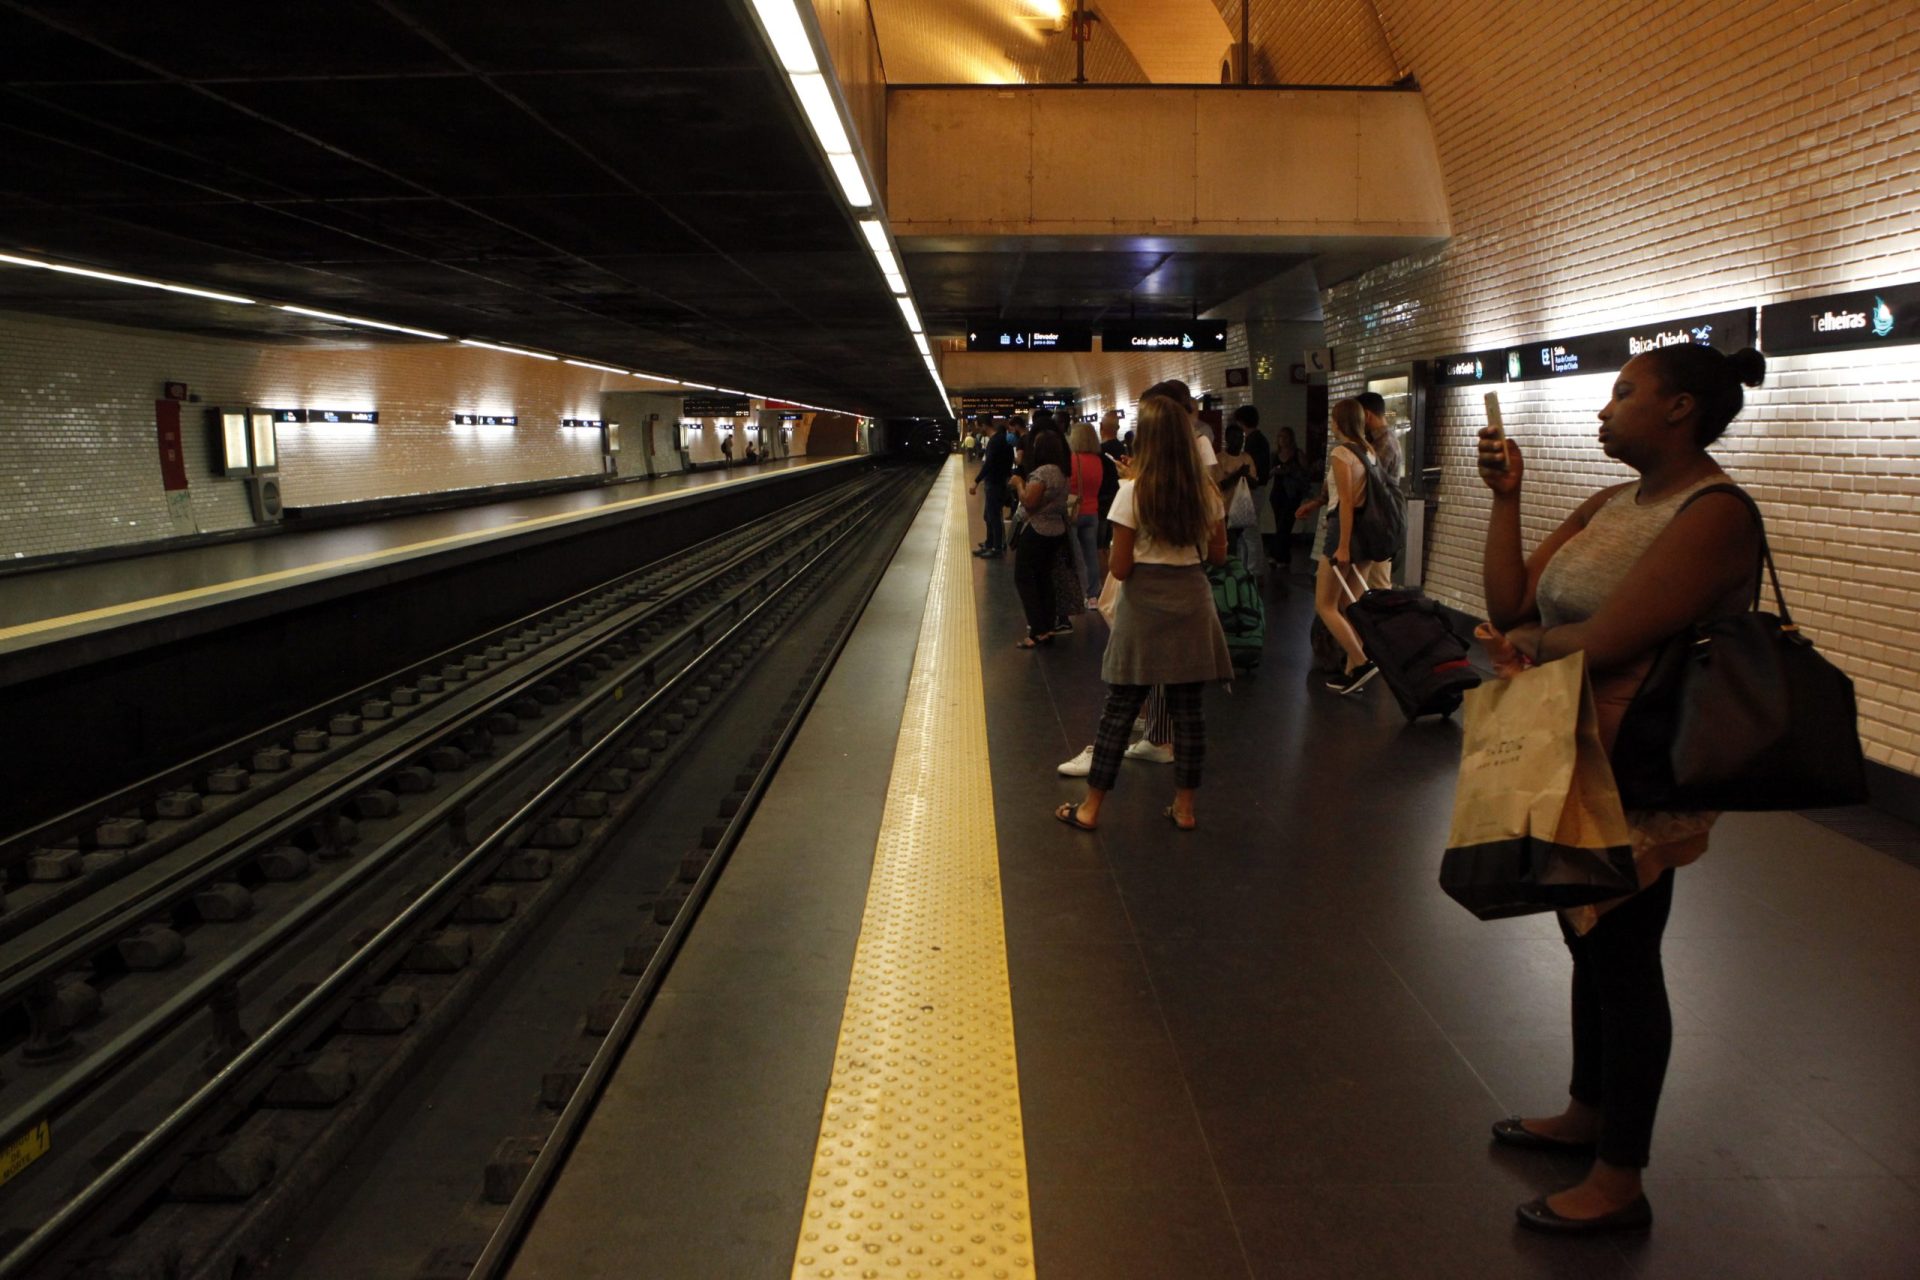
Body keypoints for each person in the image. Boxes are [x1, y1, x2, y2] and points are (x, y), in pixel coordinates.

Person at [1476, 344, 1766, 1236]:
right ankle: (1588, 1110)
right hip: (1575, 746)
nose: (1605, 410)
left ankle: (1620, 1176)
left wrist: (1528, 646)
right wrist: (1508, 500)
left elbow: (1605, 637)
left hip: (1639, 762)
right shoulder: (1610, 503)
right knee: (1587, 936)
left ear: (1680, 409)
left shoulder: (1714, 514)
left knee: (1627, 956)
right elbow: (1512, 598)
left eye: (1624, 393)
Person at [1053, 394, 1232, 833]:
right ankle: (1185, 809)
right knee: (1189, 713)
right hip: (1192, 599)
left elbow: (1120, 567)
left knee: (1120, 708)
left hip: (1144, 604)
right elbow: (1219, 556)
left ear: (1146, 440)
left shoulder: (1133, 492)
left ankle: (1091, 809)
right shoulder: (1206, 493)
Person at [1315, 398, 1380, 693]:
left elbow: (1345, 504)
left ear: (1339, 423)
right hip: (1368, 536)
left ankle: (1361, 661)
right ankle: (1354, 670)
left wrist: (1341, 546)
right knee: (1349, 605)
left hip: (1343, 534)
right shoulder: (1369, 452)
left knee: (1326, 604)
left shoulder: (1341, 454)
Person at [1010, 426, 1072, 647]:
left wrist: (1018, 483)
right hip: (1055, 531)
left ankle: (1037, 631)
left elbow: (1029, 501)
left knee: (1024, 578)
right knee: (1044, 578)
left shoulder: (1043, 473)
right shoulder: (1062, 472)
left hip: (1037, 531)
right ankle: (1047, 627)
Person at [1356, 391, 1403, 589]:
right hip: (1375, 523)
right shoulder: (1378, 442)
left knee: (1378, 586)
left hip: (1379, 524)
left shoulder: (1385, 444)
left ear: (1366, 415)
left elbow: (1371, 482)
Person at [1067, 421, 1105, 602]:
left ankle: (1075, 595)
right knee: (1091, 556)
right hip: (1092, 512)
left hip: (1073, 512)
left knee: (1074, 556)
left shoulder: (1071, 459)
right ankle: (1093, 596)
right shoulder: (1098, 460)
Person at [1217, 422, 1261, 572]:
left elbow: (1255, 483)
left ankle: (1241, 570)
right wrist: (1237, 474)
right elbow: (1219, 485)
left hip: (1241, 508)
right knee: (1231, 543)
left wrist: (1246, 475)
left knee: (1242, 542)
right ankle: (1230, 570)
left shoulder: (1246, 458)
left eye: (1241, 438)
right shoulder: (1220, 459)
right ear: (1228, 439)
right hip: (1226, 507)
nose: (1239, 441)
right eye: (1235, 438)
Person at [970, 418, 1016, 557]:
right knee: (988, 515)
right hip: (998, 481)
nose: (978, 430)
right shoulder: (1001, 440)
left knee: (994, 516)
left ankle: (997, 548)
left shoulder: (995, 441)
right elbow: (1008, 460)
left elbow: (988, 463)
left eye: (979, 427)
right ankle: (990, 543)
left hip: (995, 483)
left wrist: (976, 481)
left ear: (984, 425)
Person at [1268, 426, 1312, 569]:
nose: (1282, 440)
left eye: (1285, 437)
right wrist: (1274, 471)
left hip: (1292, 494)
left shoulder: (1297, 454)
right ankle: (1283, 556)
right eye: (1280, 437)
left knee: (1285, 525)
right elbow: (1267, 474)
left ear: (1291, 438)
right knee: (1280, 524)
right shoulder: (1275, 455)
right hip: (1277, 492)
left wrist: (1291, 471)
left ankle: (1278, 554)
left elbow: (1306, 473)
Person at [1096, 409, 1125, 578]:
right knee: (1112, 541)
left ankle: (1104, 578)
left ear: (1101, 427)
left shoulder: (1099, 451)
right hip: (1118, 498)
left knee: (1099, 544)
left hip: (1101, 500)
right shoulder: (1123, 448)